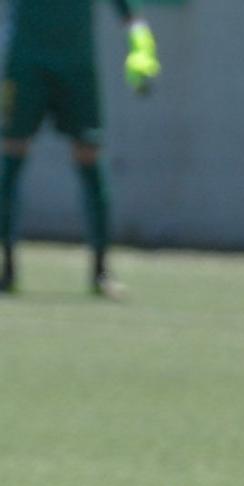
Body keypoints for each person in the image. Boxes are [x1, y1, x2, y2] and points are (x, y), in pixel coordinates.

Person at [0, 0, 158, 296]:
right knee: (12, 154)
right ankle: (6, 267)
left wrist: (142, 46)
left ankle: (100, 271)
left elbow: (128, 10)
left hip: (77, 65)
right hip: (24, 62)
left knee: (89, 154)